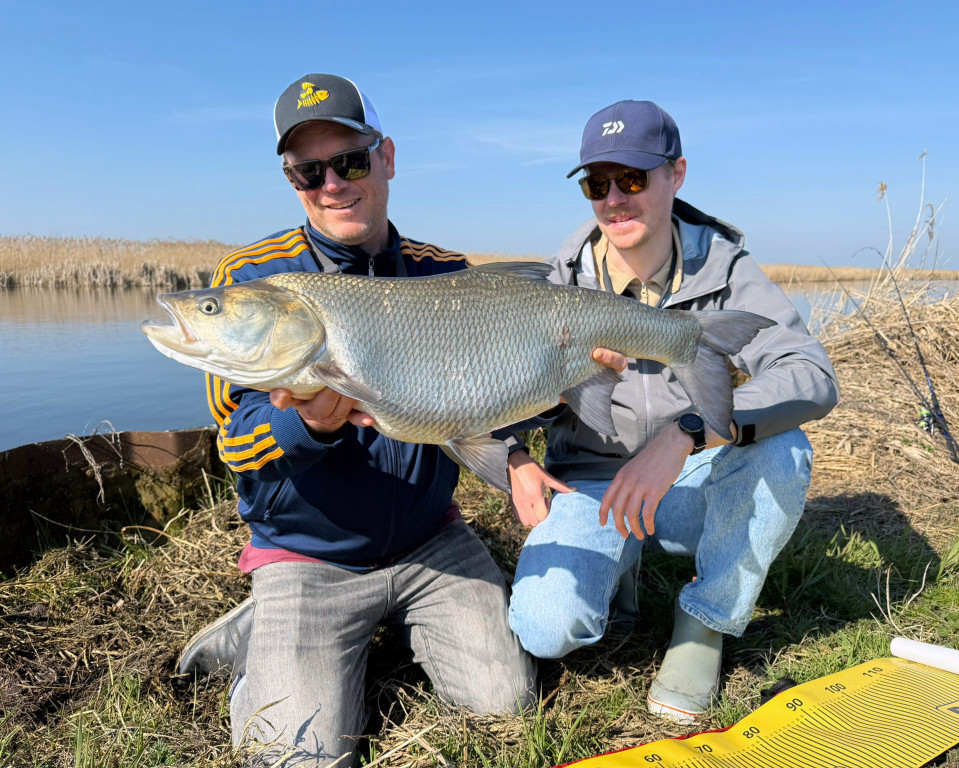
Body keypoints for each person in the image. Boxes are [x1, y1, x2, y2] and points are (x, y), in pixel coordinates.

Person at [174, 73, 586, 768]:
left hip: (430, 541)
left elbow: (484, 396)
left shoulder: (443, 273)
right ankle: (268, 630)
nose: (332, 182)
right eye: (309, 170)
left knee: (507, 703)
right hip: (309, 558)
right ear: (293, 181)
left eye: (351, 161)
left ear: (386, 158)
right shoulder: (251, 282)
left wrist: (519, 447)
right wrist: (310, 427)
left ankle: (343, 629)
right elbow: (237, 446)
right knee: (296, 755)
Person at [505, 99, 840, 721]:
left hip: (688, 480)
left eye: (632, 179)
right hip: (591, 486)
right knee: (544, 630)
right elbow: (479, 394)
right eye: (596, 184)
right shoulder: (554, 285)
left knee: (783, 448)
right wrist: (514, 454)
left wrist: (689, 432)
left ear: (676, 174)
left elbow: (812, 375)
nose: (614, 199)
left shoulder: (727, 269)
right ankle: (619, 563)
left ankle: (705, 621)